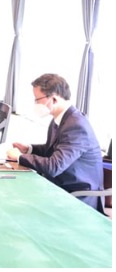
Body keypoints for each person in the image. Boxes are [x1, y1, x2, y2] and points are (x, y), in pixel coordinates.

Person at [7, 73, 103, 210]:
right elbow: (52, 150)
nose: (35, 103)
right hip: (61, 183)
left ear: (53, 99)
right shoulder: (60, 118)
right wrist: (29, 149)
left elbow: (54, 166)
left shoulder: (76, 125)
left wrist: (19, 157)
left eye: (37, 99)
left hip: (77, 194)